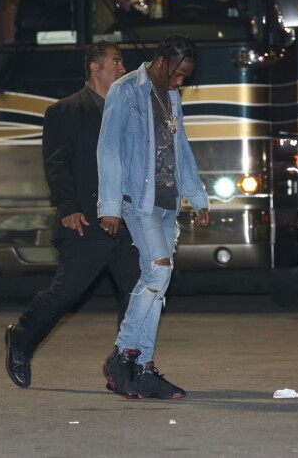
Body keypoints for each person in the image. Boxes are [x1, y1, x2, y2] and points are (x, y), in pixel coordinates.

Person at [5, 40, 140, 388]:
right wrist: (69, 207)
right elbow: (57, 164)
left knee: (138, 293)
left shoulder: (128, 109)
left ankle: (122, 361)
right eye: (116, 62)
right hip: (86, 221)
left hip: (128, 222)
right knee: (66, 294)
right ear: (95, 68)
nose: (122, 69)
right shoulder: (64, 111)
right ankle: (21, 339)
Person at [98, 34, 209, 400]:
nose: (180, 83)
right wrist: (110, 206)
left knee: (157, 283)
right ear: (161, 61)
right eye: (177, 75)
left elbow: (182, 149)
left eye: (185, 78)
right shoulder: (125, 89)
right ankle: (121, 353)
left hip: (167, 203)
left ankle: (143, 368)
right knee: (159, 270)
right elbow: (109, 149)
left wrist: (196, 196)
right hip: (138, 201)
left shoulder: (172, 97)